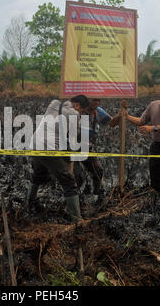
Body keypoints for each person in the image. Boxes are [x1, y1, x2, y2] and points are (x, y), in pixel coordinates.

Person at [27, 95, 90, 223]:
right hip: (48, 148)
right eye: (82, 111)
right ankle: (76, 218)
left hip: (34, 144)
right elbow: (73, 140)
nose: (81, 113)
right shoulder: (74, 114)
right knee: (68, 181)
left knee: (38, 175)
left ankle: (28, 206)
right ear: (77, 105)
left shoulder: (53, 103)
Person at [73, 98, 122, 202]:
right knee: (77, 177)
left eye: (98, 100)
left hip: (87, 147)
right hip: (72, 148)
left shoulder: (99, 111)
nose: (96, 103)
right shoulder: (79, 110)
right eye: (93, 100)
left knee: (98, 170)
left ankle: (96, 195)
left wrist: (120, 114)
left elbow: (112, 123)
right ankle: (73, 200)